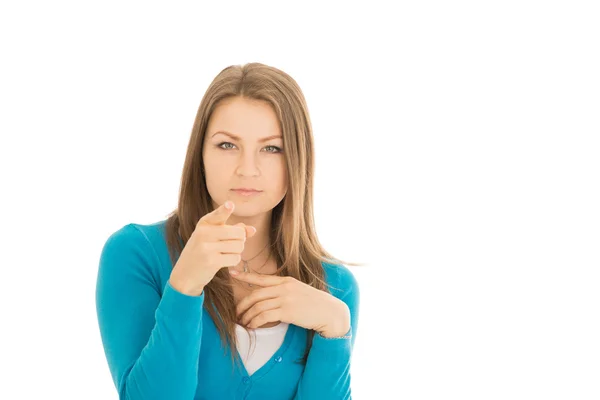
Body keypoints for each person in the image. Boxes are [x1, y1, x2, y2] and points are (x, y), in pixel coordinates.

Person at [95, 62, 363, 400]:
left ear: (297, 159)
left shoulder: (334, 288)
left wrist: (336, 327)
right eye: (227, 145)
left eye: (271, 148)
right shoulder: (137, 254)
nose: (247, 169)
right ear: (200, 154)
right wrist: (184, 286)